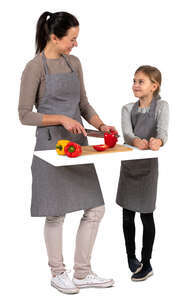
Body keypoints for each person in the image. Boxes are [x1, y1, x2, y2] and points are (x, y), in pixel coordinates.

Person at [18, 11, 116, 294]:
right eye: (72, 39)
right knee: (56, 214)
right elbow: (24, 115)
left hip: (79, 146)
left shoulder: (74, 63)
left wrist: (100, 124)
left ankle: (83, 273)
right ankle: (58, 273)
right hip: (51, 147)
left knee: (95, 208)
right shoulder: (35, 67)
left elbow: (83, 104)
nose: (75, 44)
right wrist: (61, 118)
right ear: (53, 37)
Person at [116, 65, 169, 281]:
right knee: (127, 214)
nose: (135, 85)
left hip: (148, 168)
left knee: (147, 214)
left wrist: (158, 141)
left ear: (154, 86)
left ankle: (146, 263)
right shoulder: (127, 109)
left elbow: (163, 132)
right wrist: (136, 141)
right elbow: (128, 134)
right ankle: (131, 257)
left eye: (141, 81)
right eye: (134, 81)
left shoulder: (162, 106)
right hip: (129, 166)